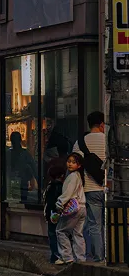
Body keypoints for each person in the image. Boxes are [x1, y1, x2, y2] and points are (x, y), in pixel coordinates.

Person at [73, 110, 106, 262]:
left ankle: (97, 256)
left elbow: (74, 167)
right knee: (109, 223)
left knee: (93, 224)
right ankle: (108, 254)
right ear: (101, 124)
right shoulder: (109, 140)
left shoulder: (80, 143)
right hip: (108, 189)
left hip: (90, 189)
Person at [55, 152, 87, 264]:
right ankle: (81, 258)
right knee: (78, 233)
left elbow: (68, 194)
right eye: (69, 161)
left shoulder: (72, 176)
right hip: (82, 208)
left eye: (74, 162)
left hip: (73, 208)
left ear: (79, 165)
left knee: (61, 231)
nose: (70, 164)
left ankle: (66, 257)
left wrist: (59, 204)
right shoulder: (79, 176)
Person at [43, 162, 66, 263]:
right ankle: (58, 255)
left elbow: (48, 201)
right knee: (58, 234)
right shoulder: (61, 187)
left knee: (52, 234)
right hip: (57, 213)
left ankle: (54, 255)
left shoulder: (49, 186)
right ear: (61, 175)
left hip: (50, 214)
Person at [7, 131, 38, 203]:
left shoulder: (10, 154)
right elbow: (34, 168)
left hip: (20, 183)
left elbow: (33, 168)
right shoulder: (24, 153)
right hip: (15, 183)